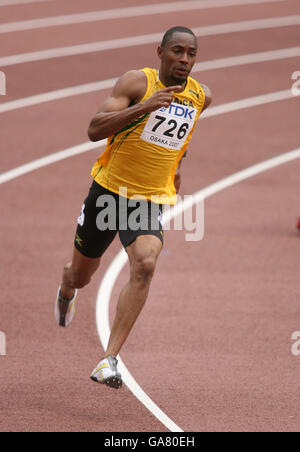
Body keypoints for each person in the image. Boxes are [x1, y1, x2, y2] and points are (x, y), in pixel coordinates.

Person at [55, 26, 212, 389]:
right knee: (82, 275)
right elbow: (94, 130)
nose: (184, 59)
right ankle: (67, 286)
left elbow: (180, 139)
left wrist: (176, 170)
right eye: (177, 51)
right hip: (108, 193)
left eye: (191, 53)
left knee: (145, 262)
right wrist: (144, 107)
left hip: (147, 200)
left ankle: (109, 359)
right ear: (160, 51)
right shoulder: (135, 83)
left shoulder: (200, 97)